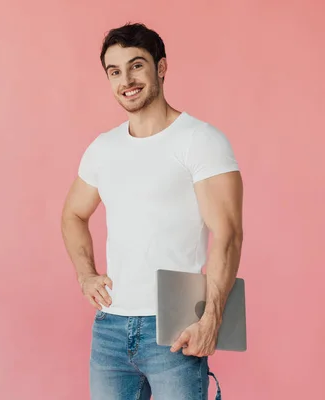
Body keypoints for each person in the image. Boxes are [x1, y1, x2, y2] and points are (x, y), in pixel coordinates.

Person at [61, 23, 243, 400]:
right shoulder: (103, 148)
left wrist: (212, 318)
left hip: (175, 327)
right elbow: (73, 215)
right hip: (110, 327)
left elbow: (228, 235)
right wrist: (85, 275)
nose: (126, 79)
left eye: (136, 65)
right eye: (114, 71)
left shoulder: (200, 141)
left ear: (161, 67)